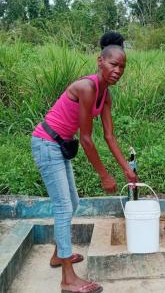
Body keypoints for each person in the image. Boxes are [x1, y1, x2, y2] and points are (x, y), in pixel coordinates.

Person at [31, 32, 137, 293]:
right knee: (63, 207)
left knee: (73, 203)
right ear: (100, 61)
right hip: (47, 144)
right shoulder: (88, 88)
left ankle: (59, 255)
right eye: (113, 64)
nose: (118, 70)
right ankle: (68, 279)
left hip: (59, 146)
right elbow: (87, 139)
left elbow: (109, 136)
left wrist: (126, 170)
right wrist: (104, 175)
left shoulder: (105, 95)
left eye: (122, 66)